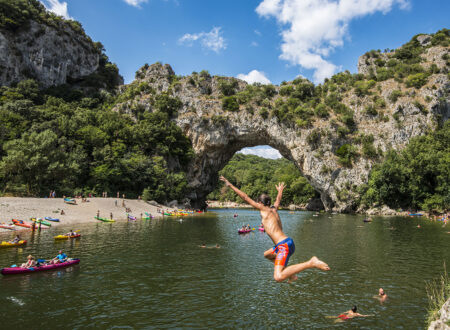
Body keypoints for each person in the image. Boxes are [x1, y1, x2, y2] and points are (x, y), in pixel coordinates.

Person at [220, 176, 330, 283]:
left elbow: (245, 197)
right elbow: (278, 200)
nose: (257, 204)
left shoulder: (264, 209)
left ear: (261, 203)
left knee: (278, 277)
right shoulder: (274, 209)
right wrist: (280, 191)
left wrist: (230, 185)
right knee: (267, 254)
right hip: (286, 243)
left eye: (258, 203)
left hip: (283, 245)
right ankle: (291, 274)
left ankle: (311, 263)